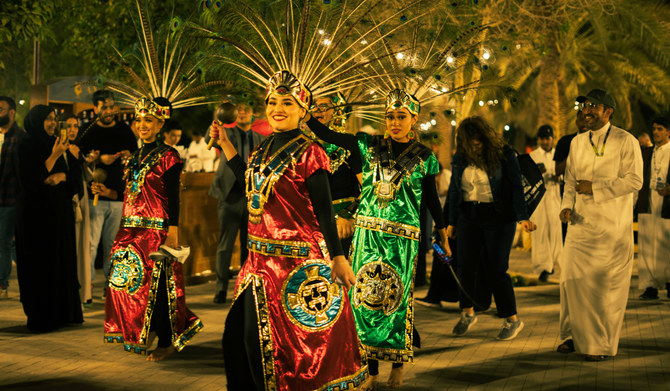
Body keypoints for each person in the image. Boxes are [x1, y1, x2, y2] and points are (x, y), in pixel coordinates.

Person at [213, 70, 365, 390]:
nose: (277, 108)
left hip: (296, 267)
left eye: (287, 102)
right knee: (246, 343)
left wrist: (339, 258)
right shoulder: (262, 148)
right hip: (256, 266)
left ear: (302, 109)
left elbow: (324, 211)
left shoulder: (312, 153)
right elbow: (246, 186)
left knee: (297, 353)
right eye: (272, 101)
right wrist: (226, 145)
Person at [304, 88, 449, 388]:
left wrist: (443, 233)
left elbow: (432, 200)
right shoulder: (366, 145)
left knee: (395, 301)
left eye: (401, 117)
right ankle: (370, 372)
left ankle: (398, 364)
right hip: (368, 235)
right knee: (363, 302)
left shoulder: (424, 157)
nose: (395, 122)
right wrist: (305, 112)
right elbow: (328, 135)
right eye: (390, 116)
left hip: (403, 240)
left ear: (414, 119)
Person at [103, 96, 202, 361]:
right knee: (128, 284)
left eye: (149, 120)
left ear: (160, 124)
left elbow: (173, 196)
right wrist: (108, 191)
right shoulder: (134, 156)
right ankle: (143, 330)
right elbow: (129, 194)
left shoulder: (169, 156)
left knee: (158, 289)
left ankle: (167, 340)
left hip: (155, 230)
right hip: (129, 230)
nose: (142, 125)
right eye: (139, 120)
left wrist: (174, 230)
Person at [557, 89, 643, 361]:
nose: (587, 111)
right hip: (580, 227)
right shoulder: (577, 142)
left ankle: (600, 346)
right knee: (571, 280)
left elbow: (634, 181)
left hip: (611, 228)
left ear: (609, 111)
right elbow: (570, 180)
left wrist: (596, 188)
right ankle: (574, 335)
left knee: (604, 288)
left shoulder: (625, 141)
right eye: (584, 106)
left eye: (594, 106)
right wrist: (566, 206)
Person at [447, 116, 535, 341]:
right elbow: (455, 191)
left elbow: (516, 186)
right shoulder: (460, 157)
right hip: (469, 216)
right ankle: (467, 313)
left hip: (498, 218)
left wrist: (522, 218)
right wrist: (451, 222)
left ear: (486, 137)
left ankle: (512, 320)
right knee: (465, 266)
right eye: (470, 141)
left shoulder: (504, 154)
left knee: (497, 269)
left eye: (478, 140)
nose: (475, 145)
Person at [14, 105, 83, 331]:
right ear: (36, 121)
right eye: (47, 119)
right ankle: (40, 315)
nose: (52, 123)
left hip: (59, 215)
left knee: (59, 262)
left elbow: (73, 177)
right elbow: (31, 181)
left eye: (54, 118)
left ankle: (62, 313)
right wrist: (53, 156)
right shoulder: (26, 145)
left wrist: (61, 175)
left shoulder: (62, 145)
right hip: (35, 217)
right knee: (39, 264)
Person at [78, 90, 138, 289]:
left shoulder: (125, 130)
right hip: (94, 197)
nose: (109, 111)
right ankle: (85, 287)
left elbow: (135, 158)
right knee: (91, 245)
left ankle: (111, 286)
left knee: (113, 245)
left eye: (112, 107)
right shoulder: (87, 130)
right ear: (96, 108)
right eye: (104, 107)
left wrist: (128, 157)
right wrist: (98, 158)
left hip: (118, 197)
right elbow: (79, 159)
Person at [207, 102, 265, 304]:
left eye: (246, 109)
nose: (242, 112)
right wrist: (214, 127)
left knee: (248, 246)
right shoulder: (226, 134)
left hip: (252, 197)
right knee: (225, 244)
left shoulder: (261, 139)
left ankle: (245, 287)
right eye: (239, 110)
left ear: (253, 115)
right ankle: (220, 289)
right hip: (229, 196)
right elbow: (210, 139)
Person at [307, 93, 361, 253]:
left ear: (337, 111)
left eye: (324, 106)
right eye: (313, 106)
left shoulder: (349, 143)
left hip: (344, 226)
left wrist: (348, 215)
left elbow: (368, 188)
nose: (317, 110)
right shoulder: (304, 146)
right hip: (312, 227)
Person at [636, 117, 670, 300]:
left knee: (667, 244)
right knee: (647, 244)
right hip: (648, 201)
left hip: (667, 204)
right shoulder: (647, 153)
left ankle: (668, 283)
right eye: (654, 128)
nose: (656, 132)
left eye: (660, 129)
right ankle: (650, 286)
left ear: (668, 132)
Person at [64, 114, 93, 304]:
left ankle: (82, 292)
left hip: (81, 201)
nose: (73, 129)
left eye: (76, 126)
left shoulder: (77, 149)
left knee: (82, 246)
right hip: (69, 202)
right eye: (69, 126)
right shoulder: (60, 149)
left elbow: (87, 178)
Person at [0, 96, 26, 299]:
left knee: (4, 242)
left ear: (11, 112)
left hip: (10, 199)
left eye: (0, 109)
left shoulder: (19, 137)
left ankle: (2, 284)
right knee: (9, 244)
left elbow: (21, 173)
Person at [529, 125, 562, 282]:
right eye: (542, 138)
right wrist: (537, 174)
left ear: (552, 139)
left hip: (555, 198)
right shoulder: (533, 156)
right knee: (541, 234)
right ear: (538, 139)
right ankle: (543, 267)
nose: (545, 141)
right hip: (539, 201)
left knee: (555, 232)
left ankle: (555, 263)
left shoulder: (558, 155)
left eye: (548, 138)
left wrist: (559, 178)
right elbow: (527, 179)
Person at [554, 106, 589, 240]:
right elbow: (557, 170)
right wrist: (574, 153)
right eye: (581, 120)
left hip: (589, 194)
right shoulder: (565, 142)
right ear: (576, 121)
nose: (584, 123)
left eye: (587, 120)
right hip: (569, 190)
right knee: (568, 232)